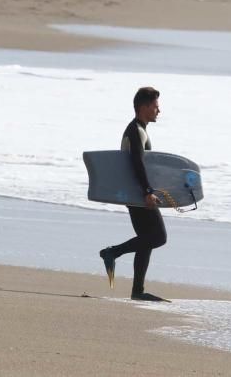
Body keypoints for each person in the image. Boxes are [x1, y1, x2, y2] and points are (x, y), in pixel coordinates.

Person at [99, 87, 169, 302]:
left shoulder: (139, 129)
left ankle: (137, 291)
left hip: (134, 193)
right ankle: (112, 252)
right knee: (159, 237)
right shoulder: (135, 130)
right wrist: (148, 192)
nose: (159, 111)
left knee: (146, 241)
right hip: (138, 195)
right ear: (144, 107)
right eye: (156, 106)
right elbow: (136, 163)